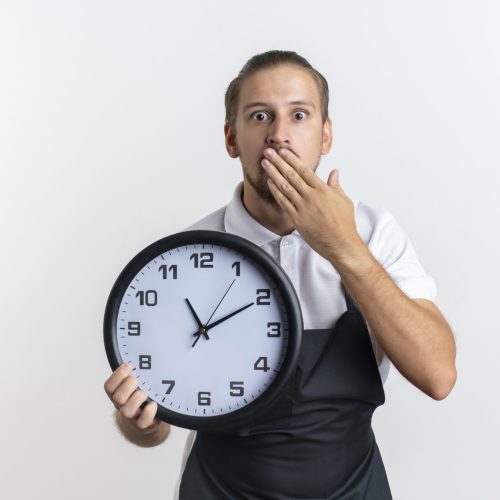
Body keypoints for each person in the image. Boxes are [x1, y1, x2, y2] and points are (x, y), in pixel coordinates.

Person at [104, 50, 457, 499]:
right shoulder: (184, 257)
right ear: (232, 139)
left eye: (299, 115)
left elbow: (438, 376)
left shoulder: (373, 232)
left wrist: (343, 247)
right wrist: (139, 422)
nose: (279, 135)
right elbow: (152, 429)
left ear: (325, 135)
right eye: (259, 116)